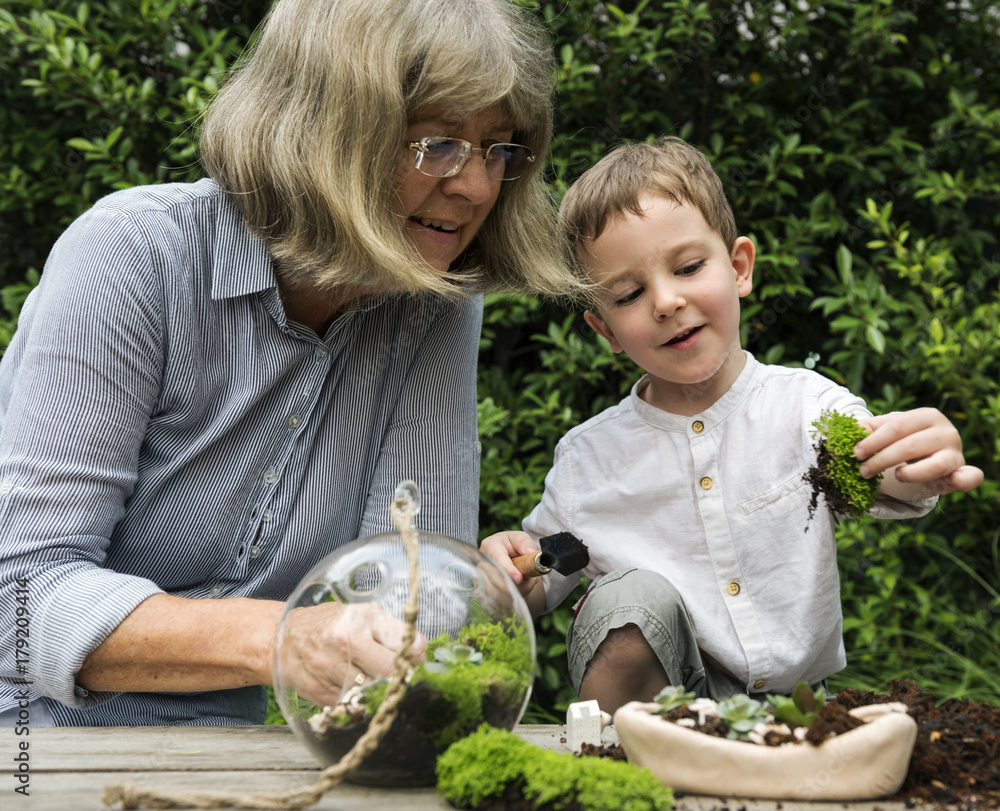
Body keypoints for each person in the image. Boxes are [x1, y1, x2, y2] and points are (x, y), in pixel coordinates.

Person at [0, 0, 582, 726]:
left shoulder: (437, 304)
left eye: (498, 149)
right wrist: (279, 639)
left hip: (230, 757)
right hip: (31, 741)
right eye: (438, 143)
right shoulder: (132, 257)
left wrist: (469, 588)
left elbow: (409, 594)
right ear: (327, 131)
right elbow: (20, 594)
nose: (475, 187)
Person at [482, 136, 984, 715]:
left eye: (689, 267)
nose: (667, 301)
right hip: (663, 710)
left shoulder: (805, 407)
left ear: (740, 267)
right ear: (607, 333)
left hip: (798, 712)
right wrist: (509, 570)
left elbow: (876, 469)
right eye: (629, 294)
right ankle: (631, 769)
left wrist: (916, 465)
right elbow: (546, 571)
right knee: (625, 598)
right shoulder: (590, 458)